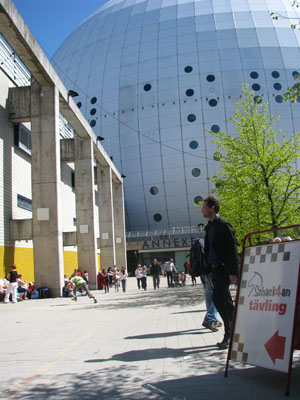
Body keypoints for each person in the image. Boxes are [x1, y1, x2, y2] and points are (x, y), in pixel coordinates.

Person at [202, 196, 238, 350]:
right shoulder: (209, 226)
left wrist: (233, 271)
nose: (202, 210)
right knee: (228, 303)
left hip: (224, 269)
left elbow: (232, 249)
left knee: (217, 298)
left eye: (204, 207)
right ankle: (237, 329)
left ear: (212, 207)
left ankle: (228, 333)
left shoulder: (223, 225)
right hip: (214, 269)